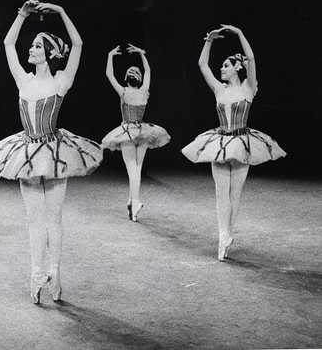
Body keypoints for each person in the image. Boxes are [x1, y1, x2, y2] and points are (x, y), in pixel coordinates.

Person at [0, 0, 102, 303]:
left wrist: (61, 11)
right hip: (26, 153)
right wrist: (22, 15)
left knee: (54, 219)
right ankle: (36, 274)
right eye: (32, 46)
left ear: (49, 53)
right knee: (34, 221)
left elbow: (77, 43)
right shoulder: (23, 79)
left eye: (37, 46)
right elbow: (8, 42)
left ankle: (56, 272)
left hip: (54, 154)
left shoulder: (61, 81)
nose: (31, 49)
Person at [182, 25, 286, 261]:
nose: (221, 68)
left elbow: (250, 57)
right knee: (222, 194)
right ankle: (222, 237)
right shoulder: (218, 88)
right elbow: (202, 65)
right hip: (220, 143)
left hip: (242, 144)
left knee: (235, 194)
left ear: (237, 68)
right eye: (222, 66)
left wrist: (239, 33)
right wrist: (208, 41)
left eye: (226, 66)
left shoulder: (249, 88)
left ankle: (228, 235)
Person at [101, 44, 170, 222]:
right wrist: (142, 54)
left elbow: (109, 74)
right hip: (143, 131)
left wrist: (110, 55)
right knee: (137, 168)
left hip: (127, 132)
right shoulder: (144, 91)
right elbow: (147, 70)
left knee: (133, 168)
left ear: (127, 78)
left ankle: (136, 201)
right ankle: (132, 200)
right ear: (139, 80)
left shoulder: (123, 92)